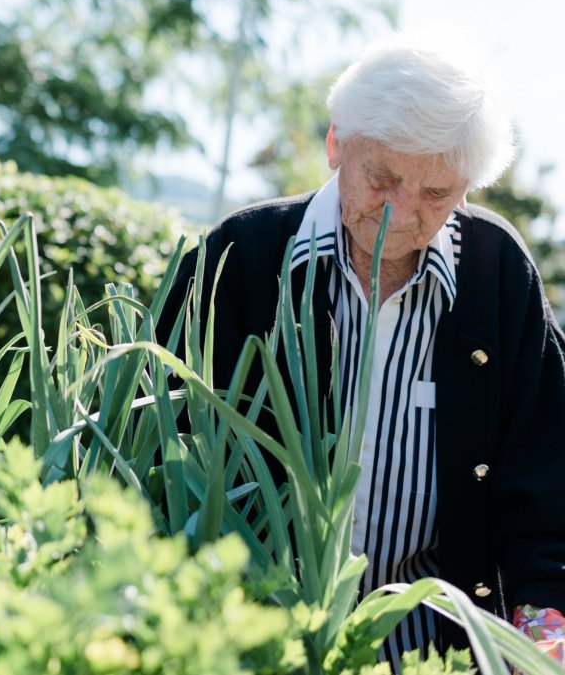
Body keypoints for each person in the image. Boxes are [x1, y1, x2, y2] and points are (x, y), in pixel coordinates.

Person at [156, 33, 565, 664]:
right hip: (255, 645)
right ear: (335, 145)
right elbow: (166, 451)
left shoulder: (497, 272)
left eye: (436, 195)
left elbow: (546, 480)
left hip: (432, 654)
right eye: (383, 179)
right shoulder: (241, 258)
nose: (403, 215)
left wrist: (543, 643)